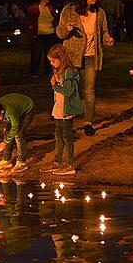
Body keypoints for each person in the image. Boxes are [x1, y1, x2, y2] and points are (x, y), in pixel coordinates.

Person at [56, 0, 115, 136]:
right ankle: (67, 123)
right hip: (71, 57)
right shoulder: (69, 10)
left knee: (89, 91)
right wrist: (66, 29)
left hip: (90, 56)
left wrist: (108, 39)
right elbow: (59, 33)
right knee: (69, 90)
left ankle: (88, 122)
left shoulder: (99, 12)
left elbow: (104, 33)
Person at [46, 44, 83, 175]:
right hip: (59, 108)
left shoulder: (69, 72)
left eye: (53, 61)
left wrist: (54, 86)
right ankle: (57, 162)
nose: (51, 63)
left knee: (67, 137)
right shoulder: (58, 71)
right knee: (58, 136)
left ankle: (69, 164)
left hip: (66, 109)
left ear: (61, 58)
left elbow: (68, 91)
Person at [0, 93, 35, 174]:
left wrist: (4, 143)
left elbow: (15, 127)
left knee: (19, 135)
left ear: (1, 113)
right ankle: (6, 159)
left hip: (26, 109)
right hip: (15, 109)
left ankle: (22, 162)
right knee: (7, 133)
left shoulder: (10, 111)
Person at [26, 0, 58, 77]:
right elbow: (29, 20)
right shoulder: (34, 8)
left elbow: (55, 19)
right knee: (36, 54)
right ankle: (34, 72)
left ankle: (47, 71)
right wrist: (30, 30)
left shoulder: (51, 8)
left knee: (49, 54)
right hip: (38, 34)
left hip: (50, 33)